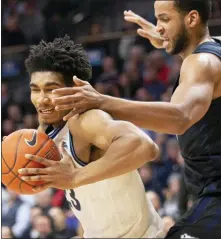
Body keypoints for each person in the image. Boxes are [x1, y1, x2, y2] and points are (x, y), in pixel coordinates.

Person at [50, 1, 221, 238]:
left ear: (191, 19)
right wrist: (168, 39)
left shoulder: (201, 63)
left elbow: (180, 117)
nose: (159, 27)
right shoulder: (215, 47)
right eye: (157, 20)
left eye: (165, 19)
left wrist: (102, 101)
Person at [18, 35, 164, 238]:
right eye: (35, 90)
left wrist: (75, 177)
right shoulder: (48, 130)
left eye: (51, 90)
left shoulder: (85, 120)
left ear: (75, 88)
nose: (41, 99)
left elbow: (144, 146)